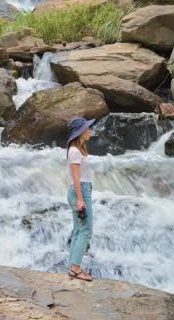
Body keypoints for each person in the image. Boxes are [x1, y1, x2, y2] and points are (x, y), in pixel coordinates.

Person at [66, 117, 95, 282]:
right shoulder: (74, 151)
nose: (90, 130)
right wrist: (80, 199)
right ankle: (76, 269)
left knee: (78, 230)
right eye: (88, 128)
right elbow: (76, 178)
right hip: (79, 191)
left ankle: (73, 266)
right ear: (80, 131)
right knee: (85, 231)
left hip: (81, 190)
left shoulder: (79, 149)